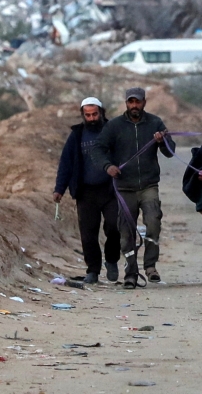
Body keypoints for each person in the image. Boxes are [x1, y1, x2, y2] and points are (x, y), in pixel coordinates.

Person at [91, 87, 175, 288]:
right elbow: (98, 149)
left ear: (144, 102)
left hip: (148, 185)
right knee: (126, 231)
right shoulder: (114, 126)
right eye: (131, 102)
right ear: (126, 103)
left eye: (137, 102)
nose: (134, 106)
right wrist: (108, 166)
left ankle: (150, 266)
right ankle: (130, 273)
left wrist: (162, 141)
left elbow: (170, 152)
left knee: (153, 222)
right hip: (124, 187)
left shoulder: (155, 123)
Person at [53, 97, 119, 285]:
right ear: (83, 115)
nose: (91, 118)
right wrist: (59, 189)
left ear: (101, 112)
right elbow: (66, 163)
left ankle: (112, 260)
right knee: (88, 233)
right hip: (86, 192)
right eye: (87, 115)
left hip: (111, 190)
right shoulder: (77, 135)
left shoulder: (112, 130)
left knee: (114, 227)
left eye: (94, 114)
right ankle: (93, 271)